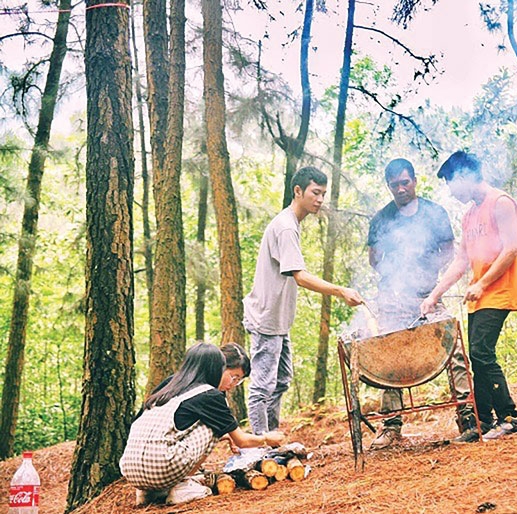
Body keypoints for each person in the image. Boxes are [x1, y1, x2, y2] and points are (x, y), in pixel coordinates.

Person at [243, 166, 364, 436]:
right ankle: (260, 447)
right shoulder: (286, 227)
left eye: (323, 194)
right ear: (298, 191)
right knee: (262, 386)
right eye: (315, 193)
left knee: (281, 380)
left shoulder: (291, 224)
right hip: (266, 320)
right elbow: (300, 277)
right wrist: (341, 291)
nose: (320, 200)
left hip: (279, 321)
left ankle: (271, 437)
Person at [366, 157, 477, 449]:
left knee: (452, 349)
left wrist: (427, 276)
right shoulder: (381, 219)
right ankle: (391, 425)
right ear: (388, 187)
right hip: (393, 299)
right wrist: (396, 279)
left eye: (405, 182)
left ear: (414, 181)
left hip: (429, 296)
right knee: (389, 357)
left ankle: (467, 415)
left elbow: (449, 251)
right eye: (395, 185)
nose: (401, 189)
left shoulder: (434, 213)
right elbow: (374, 258)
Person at [420, 151, 517, 441]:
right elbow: (460, 261)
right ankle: (484, 423)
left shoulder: (500, 203)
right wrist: (434, 295)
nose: (451, 192)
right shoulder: (468, 216)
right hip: (479, 296)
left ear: (464, 176)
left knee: (482, 352)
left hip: (498, 291)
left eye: (451, 184)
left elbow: (512, 248)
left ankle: (510, 417)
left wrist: (483, 283)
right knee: (477, 358)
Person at [120, 342, 284, 506]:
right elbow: (242, 441)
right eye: (233, 377)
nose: (233, 384)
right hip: (162, 468)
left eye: (238, 380)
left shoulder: (171, 383)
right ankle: (182, 486)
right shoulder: (210, 395)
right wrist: (266, 438)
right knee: (214, 425)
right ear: (216, 367)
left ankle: (147, 492)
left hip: (129, 468)